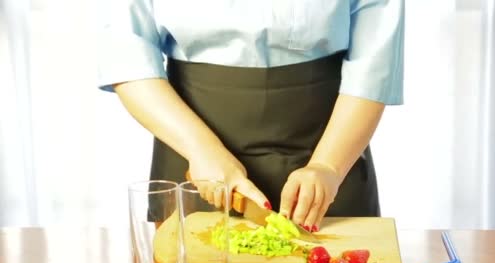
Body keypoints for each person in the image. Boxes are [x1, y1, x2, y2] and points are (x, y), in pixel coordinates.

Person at [97, 1, 404, 231]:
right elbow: (128, 58)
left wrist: (327, 167)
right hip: (197, 162)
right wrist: (203, 151)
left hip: (331, 155)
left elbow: (373, 67)